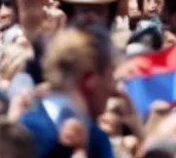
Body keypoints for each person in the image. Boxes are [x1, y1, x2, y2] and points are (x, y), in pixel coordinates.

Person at [20, 26, 116, 158]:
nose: (114, 88)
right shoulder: (25, 133)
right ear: (90, 80)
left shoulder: (97, 139)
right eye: (110, 75)